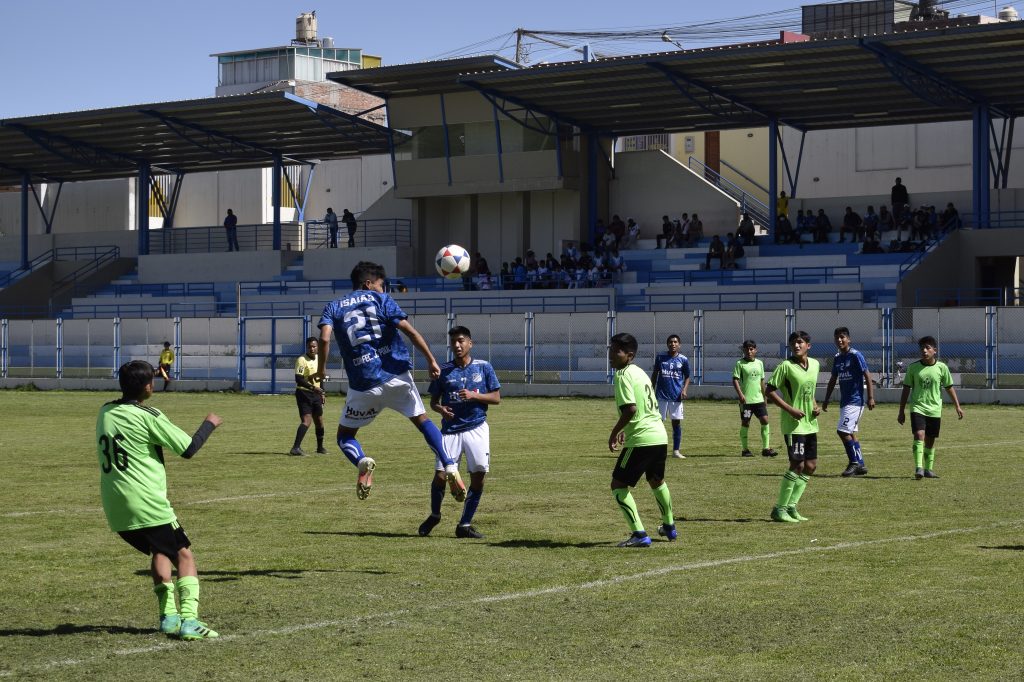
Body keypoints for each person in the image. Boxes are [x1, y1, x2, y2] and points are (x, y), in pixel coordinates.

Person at [316, 261, 466, 501]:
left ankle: (362, 461)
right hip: (396, 375)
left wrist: (321, 371)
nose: (384, 289)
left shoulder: (333, 306)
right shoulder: (382, 301)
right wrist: (431, 360)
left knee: (345, 436)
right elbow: (411, 332)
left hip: (363, 383)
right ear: (368, 284)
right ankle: (449, 464)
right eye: (381, 285)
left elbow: (324, 340)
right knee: (422, 420)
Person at [96, 360, 222, 640]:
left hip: (116, 507)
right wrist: (209, 424)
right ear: (147, 386)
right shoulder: (148, 415)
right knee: (185, 555)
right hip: (147, 503)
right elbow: (188, 449)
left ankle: (168, 617)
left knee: (161, 551)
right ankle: (190, 620)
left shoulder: (105, 412)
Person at [419, 326, 501, 539]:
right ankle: (435, 515)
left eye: (461, 341)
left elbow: (496, 397)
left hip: (477, 428)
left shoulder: (484, 367)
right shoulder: (443, 370)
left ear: (470, 343)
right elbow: (433, 402)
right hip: (450, 432)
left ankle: (464, 525)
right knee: (440, 475)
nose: (457, 345)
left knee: (479, 476)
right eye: (453, 342)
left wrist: (475, 396)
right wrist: (440, 410)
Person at [607, 332, 676, 547]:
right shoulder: (639, 372)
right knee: (657, 482)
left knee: (618, 485)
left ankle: (639, 534)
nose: (610, 354)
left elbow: (630, 409)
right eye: (610, 349)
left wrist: (615, 431)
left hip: (641, 439)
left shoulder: (622, 375)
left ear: (629, 355)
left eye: (616, 351)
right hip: (659, 436)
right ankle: (669, 527)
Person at [766, 331, 820, 523]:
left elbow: (810, 390)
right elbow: (769, 391)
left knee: (811, 466)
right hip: (793, 426)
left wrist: (814, 405)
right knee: (797, 465)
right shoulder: (785, 366)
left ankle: (791, 506)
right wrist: (790, 410)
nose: (796, 346)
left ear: (808, 345)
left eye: (800, 342)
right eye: (793, 343)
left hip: (810, 424)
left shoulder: (815, 364)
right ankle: (779, 509)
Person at [897, 336, 964, 479]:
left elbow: (949, 388)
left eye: (928, 348)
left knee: (930, 439)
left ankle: (928, 469)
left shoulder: (942, 368)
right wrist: (901, 410)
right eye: (922, 348)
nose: (924, 350)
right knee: (919, 435)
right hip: (918, 407)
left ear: (934, 350)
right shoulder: (913, 368)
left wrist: (957, 406)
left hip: (934, 409)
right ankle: (919, 468)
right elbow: (906, 389)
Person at [821, 327, 875, 477]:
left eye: (842, 337)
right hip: (845, 402)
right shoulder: (837, 357)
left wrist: (870, 397)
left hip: (856, 401)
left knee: (842, 431)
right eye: (837, 338)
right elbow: (833, 379)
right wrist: (826, 399)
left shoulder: (856, 355)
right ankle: (861, 464)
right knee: (851, 433)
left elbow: (867, 375)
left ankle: (853, 463)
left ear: (848, 339)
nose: (839, 340)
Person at [731, 340, 777, 458]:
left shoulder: (759, 363)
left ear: (755, 350)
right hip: (746, 401)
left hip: (759, 400)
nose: (749, 351)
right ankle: (745, 449)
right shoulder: (740, 364)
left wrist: (765, 396)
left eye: (751, 349)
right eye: (747, 349)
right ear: (744, 350)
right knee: (745, 423)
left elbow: (762, 381)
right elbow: (735, 380)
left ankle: (766, 448)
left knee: (765, 420)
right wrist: (741, 394)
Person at [651, 334, 691, 459]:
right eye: (670, 342)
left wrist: (684, 390)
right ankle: (656, 451)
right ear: (667, 344)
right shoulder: (660, 357)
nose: (673, 344)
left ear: (679, 345)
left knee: (676, 423)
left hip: (676, 396)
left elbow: (687, 376)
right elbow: (655, 374)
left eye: (675, 342)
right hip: (661, 396)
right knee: (658, 423)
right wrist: (651, 389)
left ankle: (676, 451)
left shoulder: (683, 359)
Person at [290, 336, 327, 456]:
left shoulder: (319, 359)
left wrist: (322, 392)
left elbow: (320, 377)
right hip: (303, 393)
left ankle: (320, 448)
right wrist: (313, 388)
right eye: (309, 346)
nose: (312, 348)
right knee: (307, 420)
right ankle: (295, 448)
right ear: (306, 347)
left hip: (316, 394)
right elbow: (298, 379)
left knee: (319, 421)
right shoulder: (301, 360)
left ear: (318, 347)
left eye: (314, 346)